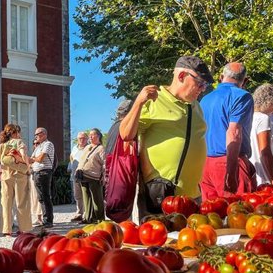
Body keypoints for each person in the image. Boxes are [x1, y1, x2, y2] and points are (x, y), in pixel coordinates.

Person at [120, 56, 211, 213]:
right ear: (182, 76)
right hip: (161, 193)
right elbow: (125, 134)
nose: (203, 89)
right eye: (200, 83)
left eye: (205, 85)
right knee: (161, 238)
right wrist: (138, 102)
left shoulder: (196, 106)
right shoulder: (154, 99)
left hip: (192, 195)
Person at [200, 62, 255, 199]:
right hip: (230, 160)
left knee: (211, 215)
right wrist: (231, 171)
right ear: (245, 80)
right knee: (240, 214)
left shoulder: (204, 99)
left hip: (205, 164)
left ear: (221, 77)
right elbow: (234, 133)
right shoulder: (242, 96)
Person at [0, 124, 33, 236]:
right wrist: (28, 168)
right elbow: (24, 155)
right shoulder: (19, 142)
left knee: (6, 203)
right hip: (19, 175)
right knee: (22, 202)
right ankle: (24, 229)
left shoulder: (2, 145)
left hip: (5, 176)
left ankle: (7, 230)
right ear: (15, 133)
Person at [248, 84, 273, 186]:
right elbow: (265, 151)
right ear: (269, 102)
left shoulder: (247, 116)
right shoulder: (263, 118)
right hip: (264, 174)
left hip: (250, 170)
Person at [77, 128, 106, 223]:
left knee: (97, 199)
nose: (90, 136)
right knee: (86, 198)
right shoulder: (87, 147)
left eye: (92, 135)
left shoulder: (101, 148)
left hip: (94, 176)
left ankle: (99, 218)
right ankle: (88, 218)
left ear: (98, 136)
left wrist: (104, 176)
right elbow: (81, 160)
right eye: (89, 135)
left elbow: (104, 163)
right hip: (83, 175)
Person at [29, 128, 55, 228]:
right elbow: (32, 160)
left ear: (44, 134)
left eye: (37, 134)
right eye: (35, 134)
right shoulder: (38, 146)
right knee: (41, 198)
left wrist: (32, 159)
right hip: (36, 173)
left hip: (44, 172)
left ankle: (49, 220)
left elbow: (40, 159)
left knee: (45, 197)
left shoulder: (48, 144)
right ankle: (45, 220)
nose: (36, 136)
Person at [67, 132, 89, 222]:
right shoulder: (74, 148)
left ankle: (87, 214)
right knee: (77, 195)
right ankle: (79, 213)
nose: (81, 140)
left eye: (83, 138)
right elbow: (71, 158)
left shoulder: (89, 148)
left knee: (86, 195)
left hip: (85, 175)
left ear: (87, 139)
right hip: (75, 176)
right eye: (80, 138)